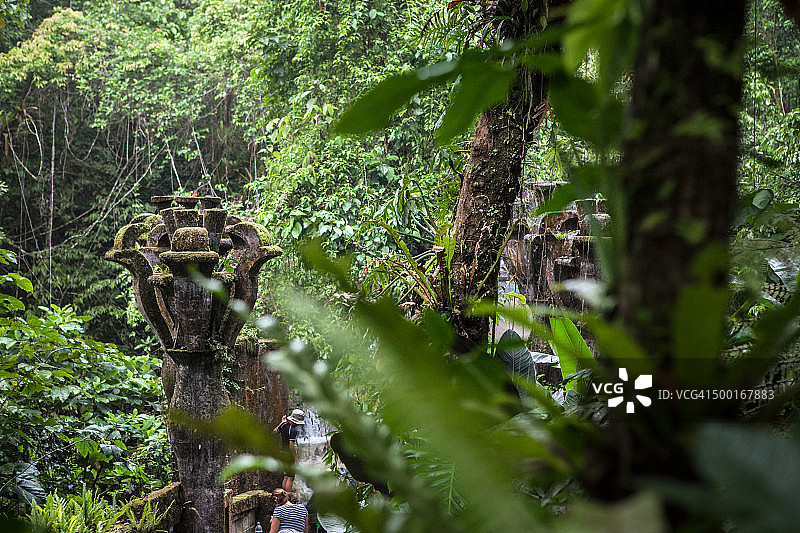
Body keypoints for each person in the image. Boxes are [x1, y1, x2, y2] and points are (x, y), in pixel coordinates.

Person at [273, 408, 305, 492]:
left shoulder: (284, 425)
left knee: (285, 476)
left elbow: (274, 431)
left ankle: (283, 497)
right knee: (290, 477)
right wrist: (296, 459)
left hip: (282, 453)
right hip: (289, 455)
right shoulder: (293, 431)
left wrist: (282, 422)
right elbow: (291, 446)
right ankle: (288, 497)